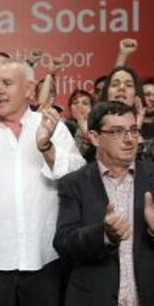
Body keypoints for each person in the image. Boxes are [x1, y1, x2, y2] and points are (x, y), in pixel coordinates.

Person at [0, 59, 85, 306]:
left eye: (7, 83)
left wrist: (46, 147)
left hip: (44, 257)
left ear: (28, 89)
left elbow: (75, 178)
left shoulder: (51, 126)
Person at [54, 101, 154, 306]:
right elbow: (64, 242)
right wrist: (105, 235)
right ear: (94, 137)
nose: (129, 139)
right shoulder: (73, 184)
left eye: (133, 130)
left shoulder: (152, 178)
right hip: (93, 298)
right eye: (117, 132)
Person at [65, 89, 96, 162]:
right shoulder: (64, 127)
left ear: (92, 108)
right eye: (75, 103)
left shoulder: (97, 130)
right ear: (70, 108)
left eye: (85, 103)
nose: (80, 106)